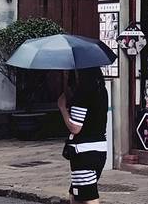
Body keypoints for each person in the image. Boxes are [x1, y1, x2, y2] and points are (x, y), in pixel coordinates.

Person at [58, 68, 108, 204]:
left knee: (88, 197)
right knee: (75, 194)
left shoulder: (84, 93)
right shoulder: (102, 91)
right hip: (99, 149)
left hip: (84, 152)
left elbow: (75, 127)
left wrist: (62, 108)